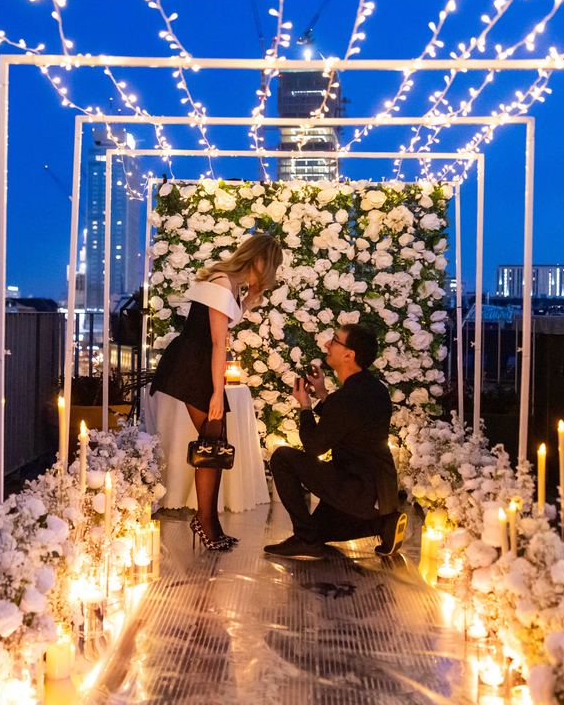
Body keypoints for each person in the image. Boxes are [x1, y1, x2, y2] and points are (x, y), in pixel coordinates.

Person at [149, 233, 283, 551]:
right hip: (192, 363)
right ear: (259, 260)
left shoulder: (230, 284)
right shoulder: (222, 283)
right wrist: (215, 394)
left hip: (197, 361)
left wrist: (250, 298)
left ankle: (208, 521)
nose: (272, 273)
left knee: (214, 443)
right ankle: (205, 522)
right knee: (212, 442)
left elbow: (225, 325)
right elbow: (218, 343)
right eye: (271, 266)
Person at [264, 323, 407, 560]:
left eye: (334, 340)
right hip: (379, 491)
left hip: (355, 489)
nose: (326, 344)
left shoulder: (347, 397)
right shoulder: (374, 389)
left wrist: (305, 406)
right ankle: (384, 525)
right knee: (320, 530)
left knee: (282, 458)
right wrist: (321, 392)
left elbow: (314, 447)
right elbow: (345, 420)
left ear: (349, 355)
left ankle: (305, 539)